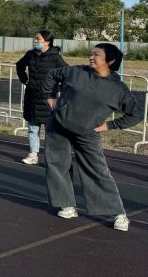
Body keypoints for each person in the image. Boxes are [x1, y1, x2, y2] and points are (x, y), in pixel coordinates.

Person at [45, 43, 142, 231]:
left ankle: (117, 213)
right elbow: (52, 75)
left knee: (97, 171)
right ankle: (67, 205)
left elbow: (135, 114)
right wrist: (50, 96)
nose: (91, 57)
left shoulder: (118, 89)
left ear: (110, 61)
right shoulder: (77, 72)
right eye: (91, 54)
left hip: (87, 134)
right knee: (57, 166)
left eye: (96, 55)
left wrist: (110, 125)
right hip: (58, 127)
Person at [15, 30, 67, 164]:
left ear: (47, 41)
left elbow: (67, 73)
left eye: (38, 39)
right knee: (33, 128)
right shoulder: (30, 54)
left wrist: (58, 88)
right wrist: (24, 79)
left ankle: (53, 159)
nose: (35, 41)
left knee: (51, 130)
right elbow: (19, 65)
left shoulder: (55, 58)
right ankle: (33, 155)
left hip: (48, 99)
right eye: (35, 38)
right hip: (32, 96)